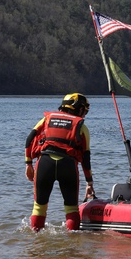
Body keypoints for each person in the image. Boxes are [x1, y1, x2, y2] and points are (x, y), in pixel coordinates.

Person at [25, 93, 95, 231]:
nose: (85, 114)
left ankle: (36, 245)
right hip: (68, 166)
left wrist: (28, 164)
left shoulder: (46, 119)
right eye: (85, 111)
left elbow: (29, 139)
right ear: (79, 109)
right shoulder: (82, 127)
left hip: (45, 164)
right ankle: (72, 245)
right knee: (71, 208)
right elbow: (86, 159)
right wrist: (89, 183)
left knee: (39, 207)